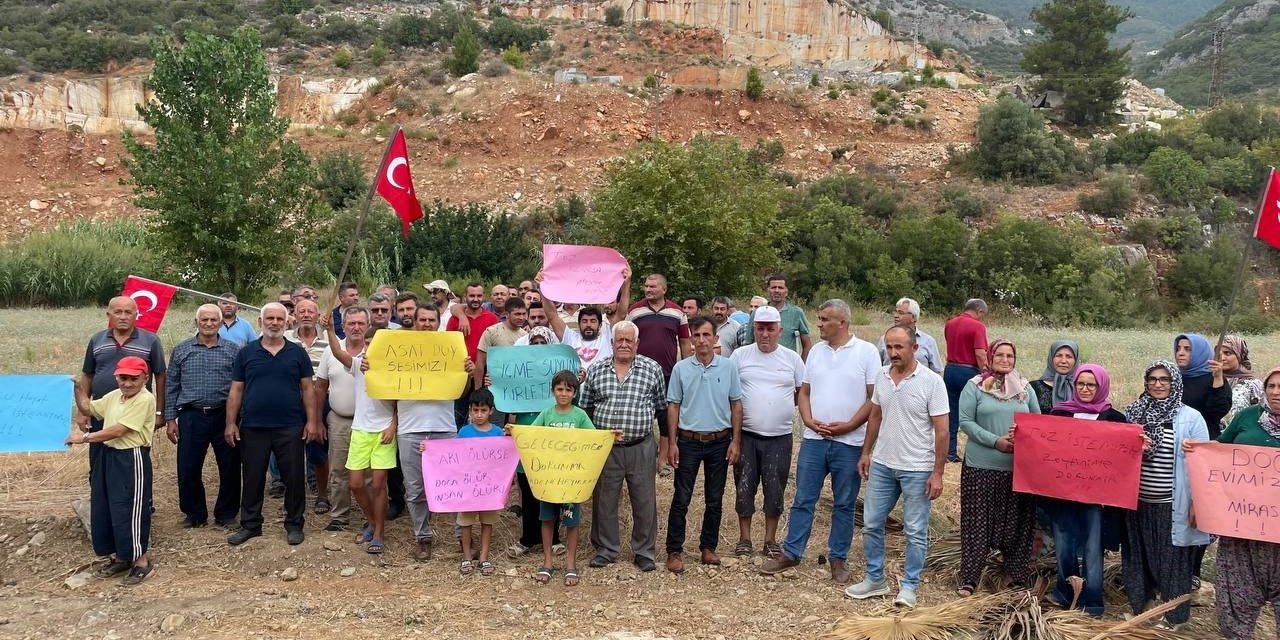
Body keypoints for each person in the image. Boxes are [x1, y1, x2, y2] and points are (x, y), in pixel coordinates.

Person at [760, 300, 878, 584]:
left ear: (843, 323)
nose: (819, 324)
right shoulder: (815, 354)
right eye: (820, 318)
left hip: (849, 442)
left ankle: (838, 558)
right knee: (803, 499)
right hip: (814, 439)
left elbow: (874, 398)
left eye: (825, 319)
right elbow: (804, 392)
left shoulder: (867, 352)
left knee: (844, 503)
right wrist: (809, 421)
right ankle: (792, 552)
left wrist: (849, 426)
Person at [846, 326, 948, 609]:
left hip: (917, 467)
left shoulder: (931, 382)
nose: (893, 353)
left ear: (914, 348)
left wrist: (937, 473)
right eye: (889, 347)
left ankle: (910, 586)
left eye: (899, 347)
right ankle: (875, 578)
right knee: (871, 523)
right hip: (883, 463)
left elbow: (942, 431)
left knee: (914, 530)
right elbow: (875, 414)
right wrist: (866, 452)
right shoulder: (882, 375)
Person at [225, 302, 323, 547]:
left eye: (280, 319)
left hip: (290, 425)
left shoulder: (297, 353)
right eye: (269, 318)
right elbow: (236, 390)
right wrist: (230, 423)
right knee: (253, 477)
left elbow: (308, 389)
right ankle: (250, 525)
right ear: (260, 322)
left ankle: (294, 524)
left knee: (293, 478)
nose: (274, 323)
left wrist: (312, 421)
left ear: (286, 322)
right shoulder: (246, 353)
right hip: (254, 426)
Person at [1122, 360, 1209, 631]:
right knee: (1138, 556)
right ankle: (1143, 607)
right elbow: (1116, 456)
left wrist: (1198, 503)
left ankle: (1174, 617)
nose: (1158, 384)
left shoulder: (1190, 418)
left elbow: (1203, 464)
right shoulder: (1134, 414)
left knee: (1172, 561)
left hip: (1171, 504)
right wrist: (1133, 446)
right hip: (1136, 502)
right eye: (1152, 378)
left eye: (1164, 379)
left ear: (1175, 383)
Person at [1042, 364, 1129, 617]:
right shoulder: (1059, 414)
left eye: (1091, 384)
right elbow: (1043, 446)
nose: (1085, 389)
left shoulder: (1115, 418)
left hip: (1096, 499)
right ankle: (1065, 591)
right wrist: (1022, 435)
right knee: (1064, 543)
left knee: (1093, 547)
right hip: (1063, 492)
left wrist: (1138, 444)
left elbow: (1123, 457)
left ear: (1101, 386)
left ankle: (1092, 601)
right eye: (1081, 384)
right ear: (1074, 385)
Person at [955, 338, 1040, 597]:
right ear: (990, 358)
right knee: (977, 523)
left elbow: (1038, 423)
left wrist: (1024, 435)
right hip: (981, 465)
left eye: (1010, 356)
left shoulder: (1025, 389)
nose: (1005, 360)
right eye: (1000, 355)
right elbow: (966, 421)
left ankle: (1014, 575)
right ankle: (970, 578)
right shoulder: (975, 387)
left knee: (1017, 523)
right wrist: (996, 441)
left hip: (1018, 469)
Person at [580, 321, 666, 572]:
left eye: (629, 340)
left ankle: (644, 552)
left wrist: (665, 444)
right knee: (605, 500)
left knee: (644, 500)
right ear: (612, 343)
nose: (625, 344)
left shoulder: (652, 369)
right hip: (607, 448)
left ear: (637, 344)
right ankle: (606, 549)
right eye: (620, 340)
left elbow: (661, 408)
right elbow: (586, 407)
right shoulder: (597, 369)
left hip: (641, 445)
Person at [1201, 366, 1280, 638]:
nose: (1275, 392)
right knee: (1237, 592)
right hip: (1242, 524)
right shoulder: (1247, 417)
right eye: (1271, 386)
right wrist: (1198, 450)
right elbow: (1220, 451)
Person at [68, 355, 157, 585]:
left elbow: (118, 430)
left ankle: (141, 561)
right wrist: (79, 389)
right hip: (109, 455)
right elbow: (88, 407)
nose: (127, 383)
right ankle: (121, 556)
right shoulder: (114, 396)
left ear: (145, 378)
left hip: (131, 457)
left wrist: (84, 437)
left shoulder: (145, 399)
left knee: (130, 507)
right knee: (107, 506)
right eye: (123, 378)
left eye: (133, 379)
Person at [394, 305, 473, 560]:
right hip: (410, 430)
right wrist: (372, 369)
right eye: (422, 320)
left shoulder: (450, 350)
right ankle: (423, 537)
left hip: (444, 429)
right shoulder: (399, 349)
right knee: (415, 488)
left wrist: (468, 375)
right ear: (414, 321)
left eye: (431, 320)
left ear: (438, 322)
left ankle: (461, 536)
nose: (427, 324)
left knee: (452, 486)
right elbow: (384, 383)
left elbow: (460, 393)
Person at [664, 316, 743, 573]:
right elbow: (673, 405)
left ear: (715, 338)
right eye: (696, 335)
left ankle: (708, 547)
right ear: (691, 340)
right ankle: (674, 550)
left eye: (706, 335)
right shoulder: (681, 369)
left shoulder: (728, 368)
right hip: (688, 441)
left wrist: (736, 441)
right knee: (682, 497)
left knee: (715, 498)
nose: (701, 340)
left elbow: (736, 404)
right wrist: (672, 443)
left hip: (719, 442)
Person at [78, 296, 167, 519]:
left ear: (137, 315)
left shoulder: (150, 341)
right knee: (99, 460)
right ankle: (103, 507)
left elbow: (160, 375)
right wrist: (83, 410)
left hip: (134, 413)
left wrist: (159, 411)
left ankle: (141, 506)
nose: (123, 316)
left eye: (129, 312)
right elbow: (88, 374)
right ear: (108, 315)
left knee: (133, 463)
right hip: (102, 410)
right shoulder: (97, 340)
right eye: (118, 312)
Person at [729, 306, 805, 559]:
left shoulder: (792, 359)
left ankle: (770, 540)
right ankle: (745, 538)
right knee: (744, 486)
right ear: (754, 329)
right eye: (759, 328)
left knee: (775, 489)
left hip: (779, 437)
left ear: (779, 331)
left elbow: (800, 394)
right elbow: (730, 395)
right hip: (746, 435)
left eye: (770, 329)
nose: (764, 334)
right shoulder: (740, 356)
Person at [320, 315, 397, 555]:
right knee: (355, 483)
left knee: (377, 484)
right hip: (360, 430)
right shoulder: (357, 364)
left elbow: (402, 403)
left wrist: (393, 426)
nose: (370, 348)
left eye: (375, 343)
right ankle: (371, 521)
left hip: (384, 430)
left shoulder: (394, 369)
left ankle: (379, 533)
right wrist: (331, 330)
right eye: (367, 343)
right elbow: (337, 353)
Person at [165, 304, 242, 529]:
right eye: (204, 320)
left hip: (224, 416)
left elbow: (240, 387)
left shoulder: (233, 350)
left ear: (220, 323)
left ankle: (226, 514)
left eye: (213, 320)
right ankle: (194, 513)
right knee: (188, 467)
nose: (209, 324)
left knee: (229, 466)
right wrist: (170, 419)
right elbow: (171, 386)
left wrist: (236, 420)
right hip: (192, 416)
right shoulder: (182, 350)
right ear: (196, 322)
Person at [529, 370, 598, 586]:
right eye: (559, 389)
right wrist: (513, 430)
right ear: (552, 391)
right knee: (547, 519)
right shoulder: (546, 414)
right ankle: (548, 562)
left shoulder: (579, 416)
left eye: (569, 389)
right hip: (549, 479)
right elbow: (530, 435)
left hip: (571, 480)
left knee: (571, 521)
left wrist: (610, 436)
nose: (564, 393)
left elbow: (593, 438)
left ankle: (570, 564)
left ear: (575, 392)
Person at [1173, 332, 1229, 585]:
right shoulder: (1170, 378)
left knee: (1199, 510)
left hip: (1204, 450)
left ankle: (1193, 571)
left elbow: (1219, 410)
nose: (1181, 353)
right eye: (1178, 348)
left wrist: (1218, 379)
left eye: (1187, 349)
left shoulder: (1210, 378)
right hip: (1174, 450)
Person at [626, 273, 692, 475]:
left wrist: (686, 368)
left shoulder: (677, 312)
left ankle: (662, 461)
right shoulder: (634, 311)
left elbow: (685, 342)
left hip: (668, 374)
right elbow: (628, 338)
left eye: (653, 286)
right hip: (639, 374)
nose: (648, 289)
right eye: (646, 286)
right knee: (640, 416)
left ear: (664, 289)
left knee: (665, 418)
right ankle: (642, 458)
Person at [315, 306, 370, 533]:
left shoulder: (375, 351)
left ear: (367, 326)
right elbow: (320, 386)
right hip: (339, 418)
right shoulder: (331, 350)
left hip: (368, 422)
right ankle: (339, 515)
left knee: (368, 473)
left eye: (360, 323)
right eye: (351, 323)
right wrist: (317, 420)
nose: (356, 327)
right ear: (343, 326)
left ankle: (370, 515)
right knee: (338, 469)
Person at [283, 298, 331, 507]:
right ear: (295, 313)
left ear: (317, 315)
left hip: (321, 401)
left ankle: (322, 495)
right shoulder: (284, 339)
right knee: (289, 452)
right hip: (291, 403)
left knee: (318, 448)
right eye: (301, 311)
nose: (305, 314)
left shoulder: (331, 340)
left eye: (310, 311)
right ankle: (292, 498)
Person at [537, 267, 630, 368]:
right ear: (579, 323)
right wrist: (543, 287)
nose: (588, 325)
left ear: (600, 325)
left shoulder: (607, 337)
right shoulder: (570, 338)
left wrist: (626, 284)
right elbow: (552, 316)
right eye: (584, 321)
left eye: (593, 321)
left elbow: (621, 314)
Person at [455, 389, 505, 576]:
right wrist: (428, 448)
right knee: (466, 523)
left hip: (489, 488)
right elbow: (453, 455)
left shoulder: (498, 432)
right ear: (469, 410)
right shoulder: (464, 432)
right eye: (475, 410)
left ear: (491, 411)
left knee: (487, 522)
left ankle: (484, 557)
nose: (479, 414)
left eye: (483, 410)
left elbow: (503, 459)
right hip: (468, 487)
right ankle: (466, 557)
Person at [942, 298, 989, 463]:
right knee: (976, 412)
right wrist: (986, 374)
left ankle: (950, 452)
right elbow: (980, 354)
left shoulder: (950, 323)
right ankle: (976, 453)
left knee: (952, 413)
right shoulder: (978, 326)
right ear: (979, 310)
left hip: (950, 369)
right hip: (968, 371)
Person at [742, 274, 811, 359]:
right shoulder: (757, 313)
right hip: (760, 363)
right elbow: (749, 342)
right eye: (773, 287)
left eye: (780, 288)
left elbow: (807, 346)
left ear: (786, 292)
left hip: (785, 365)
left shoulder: (796, 313)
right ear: (768, 290)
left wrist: (801, 365)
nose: (777, 290)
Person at [874, 298, 942, 374]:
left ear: (913, 317)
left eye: (901, 313)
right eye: (896, 312)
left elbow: (937, 371)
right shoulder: (884, 339)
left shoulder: (928, 341)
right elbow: (876, 368)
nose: (896, 316)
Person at [1220, 334, 1264, 429]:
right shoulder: (1212, 380)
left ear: (1239, 354)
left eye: (1227, 353)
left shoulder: (1252, 384)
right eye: (1219, 353)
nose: (1222, 358)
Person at [1027, 340, 1079, 415]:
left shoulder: (1083, 389)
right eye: (1058, 356)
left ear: (1076, 360)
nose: (1063, 361)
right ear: (1051, 358)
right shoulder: (1033, 388)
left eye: (1069, 356)